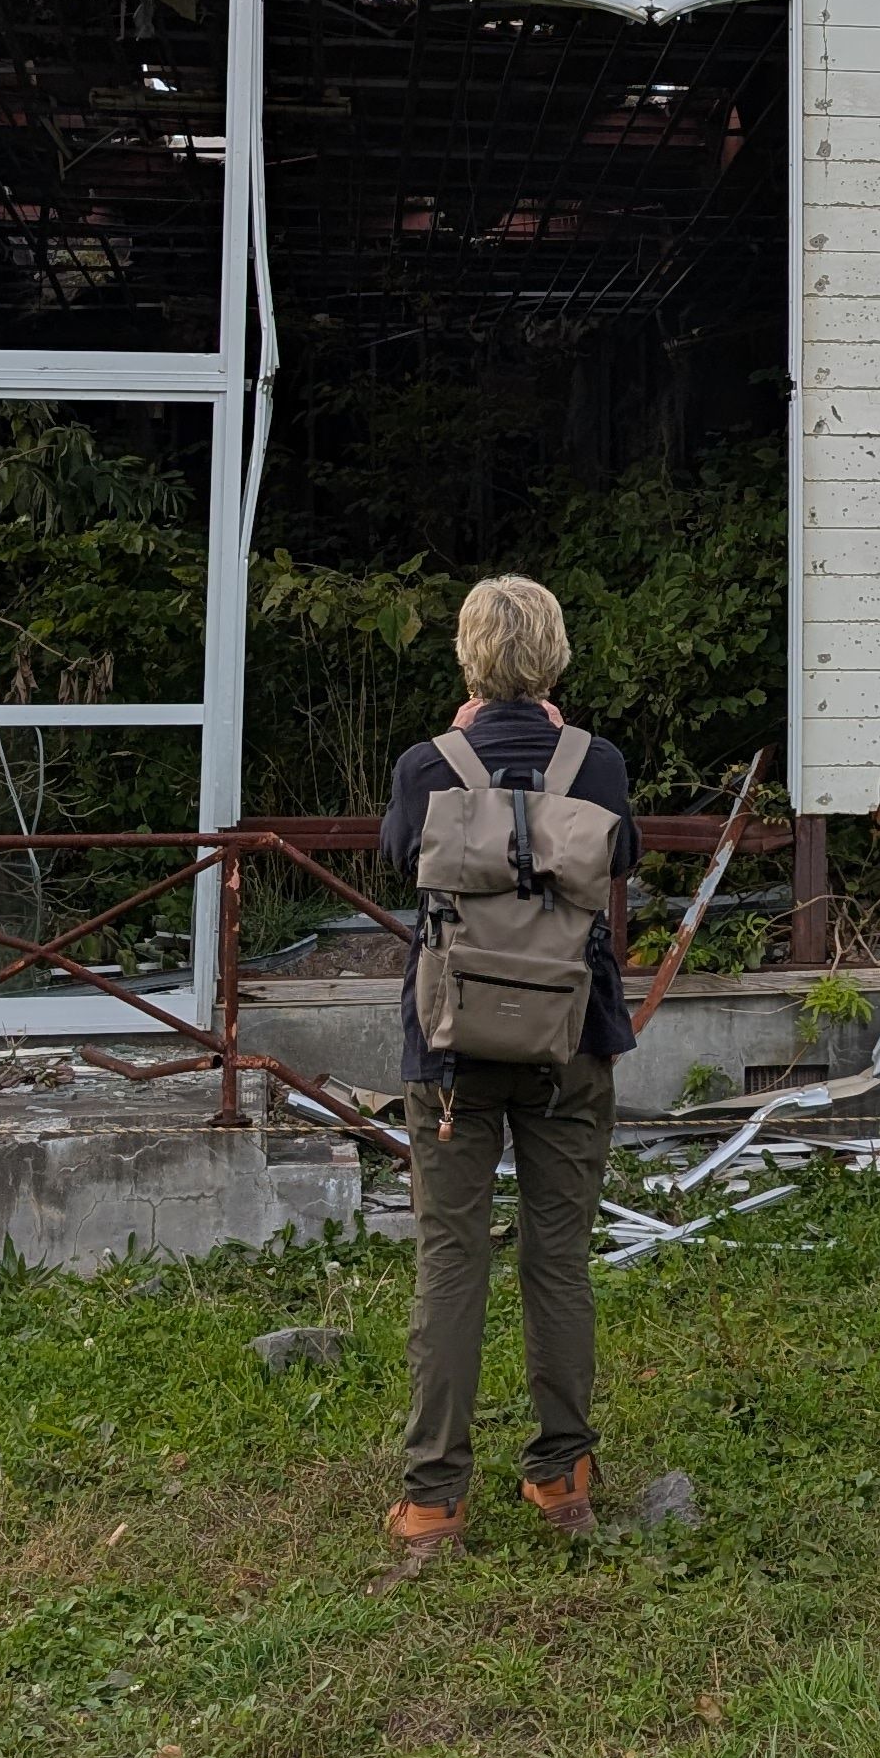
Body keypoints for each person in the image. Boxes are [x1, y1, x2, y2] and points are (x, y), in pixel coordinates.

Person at [379, 573, 638, 1569]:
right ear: (556, 658)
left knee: (451, 1262)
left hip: (448, 1049)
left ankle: (434, 1503)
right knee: (557, 1257)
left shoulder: (426, 766)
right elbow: (622, 865)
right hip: (570, 1043)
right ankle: (562, 1478)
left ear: (469, 659)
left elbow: (400, 857)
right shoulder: (599, 765)